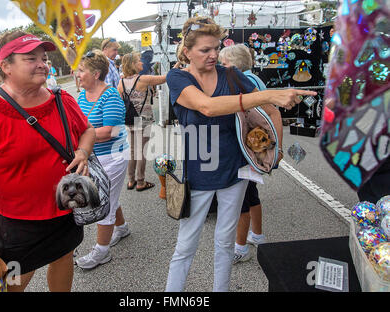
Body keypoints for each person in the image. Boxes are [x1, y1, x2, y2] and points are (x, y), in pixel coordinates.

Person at [165, 17, 316, 292]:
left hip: (235, 170)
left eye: (216, 47)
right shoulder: (177, 77)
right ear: (187, 51)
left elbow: (272, 111)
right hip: (197, 174)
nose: (213, 55)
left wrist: (277, 149)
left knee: (225, 242)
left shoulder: (231, 75)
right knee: (185, 246)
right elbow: (207, 107)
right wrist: (269, 94)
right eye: (205, 50)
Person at [0, 31, 96, 292]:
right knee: (13, 280)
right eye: (30, 58)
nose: (42, 63)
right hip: (19, 224)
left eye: (44, 57)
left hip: (66, 210)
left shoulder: (63, 100)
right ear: (5, 66)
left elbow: (87, 130)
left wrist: (82, 152)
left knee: (63, 258)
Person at [219, 43, 284, 263]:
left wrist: (277, 149)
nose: (220, 66)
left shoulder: (243, 81)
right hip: (252, 148)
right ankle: (257, 235)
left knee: (242, 201)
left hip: (246, 150)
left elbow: (267, 113)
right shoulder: (255, 79)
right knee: (252, 194)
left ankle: (240, 249)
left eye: (224, 63)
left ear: (233, 64)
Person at [75, 50, 130, 269]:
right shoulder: (81, 96)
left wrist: (81, 138)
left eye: (81, 70)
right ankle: (122, 228)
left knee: (102, 201)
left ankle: (102, 251)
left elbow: (111, 131)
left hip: (113, 156)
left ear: (96, 74)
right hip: (93, 156)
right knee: (110, 194)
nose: (78, 74)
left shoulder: (110, 96)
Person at [117, 52, 175, 191]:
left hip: (129, 119)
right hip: (143, 120)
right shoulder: (143, 79)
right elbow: (166, 78)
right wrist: (177, 66)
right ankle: (141, 182)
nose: (142, 63)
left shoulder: (121, 82)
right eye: (138, 61)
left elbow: (120, 101)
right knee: (141, 151)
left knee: (132, 151)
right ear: (132, 64)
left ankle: (131, 181)